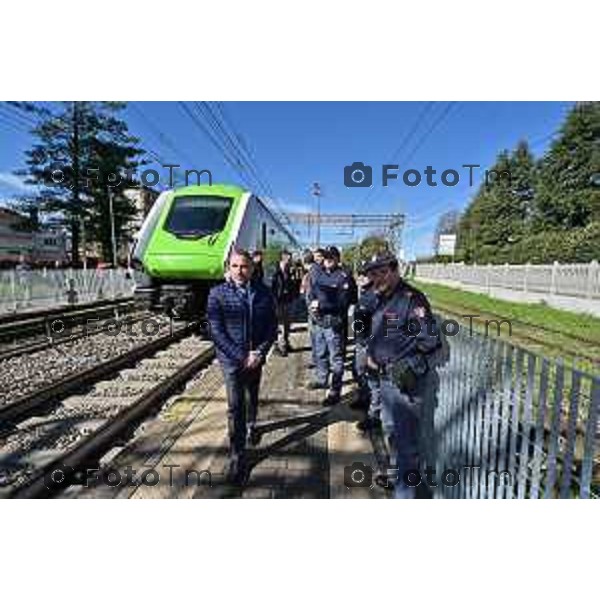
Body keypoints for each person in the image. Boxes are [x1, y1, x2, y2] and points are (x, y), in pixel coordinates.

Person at [363, 252, 443, 499]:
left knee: (407, 447)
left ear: (396, 270)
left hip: (403, 385)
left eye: (382, 272)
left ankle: (404, 496)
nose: (377, 277)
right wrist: (371, 353)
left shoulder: (412, 300)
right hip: (384, 380)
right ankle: (397, 478)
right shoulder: (378, 298)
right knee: (393, 435)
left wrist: (402, 362)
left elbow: (430, 341)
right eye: (373, 273)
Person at [207, 248, 278, 485]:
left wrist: (259, 352)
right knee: (235, 406)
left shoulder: (264, 293)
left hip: (256, 358)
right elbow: (216, 332)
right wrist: (241, 356)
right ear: (228, 267)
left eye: (244, 266)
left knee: (252, 395)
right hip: (231, 362)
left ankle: (252, 424)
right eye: (235, 266)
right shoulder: (217, 294)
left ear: (252, 268)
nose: (239, 271)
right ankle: (238, 456)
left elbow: (272, 325)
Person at [307, 247, 353, 405]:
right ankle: (322, 378)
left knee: (336, 358)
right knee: (320, 353)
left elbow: (344, 301)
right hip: (319, 321)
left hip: (334, 322)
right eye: (326, 257)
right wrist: (313, 303)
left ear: (337, 258)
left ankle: (335, 391)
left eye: (331, 257)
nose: (328, 260)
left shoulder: (343, 276)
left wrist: (321, 305)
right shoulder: (319, 273)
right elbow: (312, 291)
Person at [271, 249, 297, 356]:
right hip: (278, 300)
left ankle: (285, 342)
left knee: (287, 324)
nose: (290, 260)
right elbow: (272, 286)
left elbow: (291, 284)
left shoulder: (289, 270)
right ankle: (280, 346)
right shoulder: (275, 270)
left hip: (287, 300)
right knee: (280, 324)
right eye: (288, 258)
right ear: (283, 257)